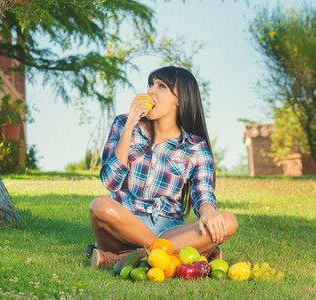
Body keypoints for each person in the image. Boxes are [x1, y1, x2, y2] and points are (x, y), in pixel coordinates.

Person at [88, 66, 238, 268]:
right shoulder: (124, 124)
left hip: (169, 229)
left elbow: (204, 194)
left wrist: (209, 211)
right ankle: (175, 256)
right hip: (123, 225)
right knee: (100, 205)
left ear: (180, 99)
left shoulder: (195, 146)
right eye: (151, 84)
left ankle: (125, 257)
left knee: (228, 221)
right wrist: (130, 125)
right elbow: (110, 182)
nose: (150, 91)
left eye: (161, 86)